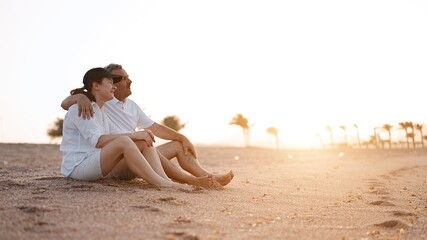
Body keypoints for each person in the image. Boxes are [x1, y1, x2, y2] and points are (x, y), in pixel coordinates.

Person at [61, 63, 234, 187]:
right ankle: (179, 181)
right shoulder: (97, 105)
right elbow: (69, 104)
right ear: (99, 85)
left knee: (163, 142)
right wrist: (80, 96)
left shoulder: (120, 106)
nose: (128, 81)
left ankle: (204, 177)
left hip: (123, 153)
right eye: (118, 79)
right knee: (132, 141)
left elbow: (155, 128)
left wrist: (183, 137)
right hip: (111, 159)